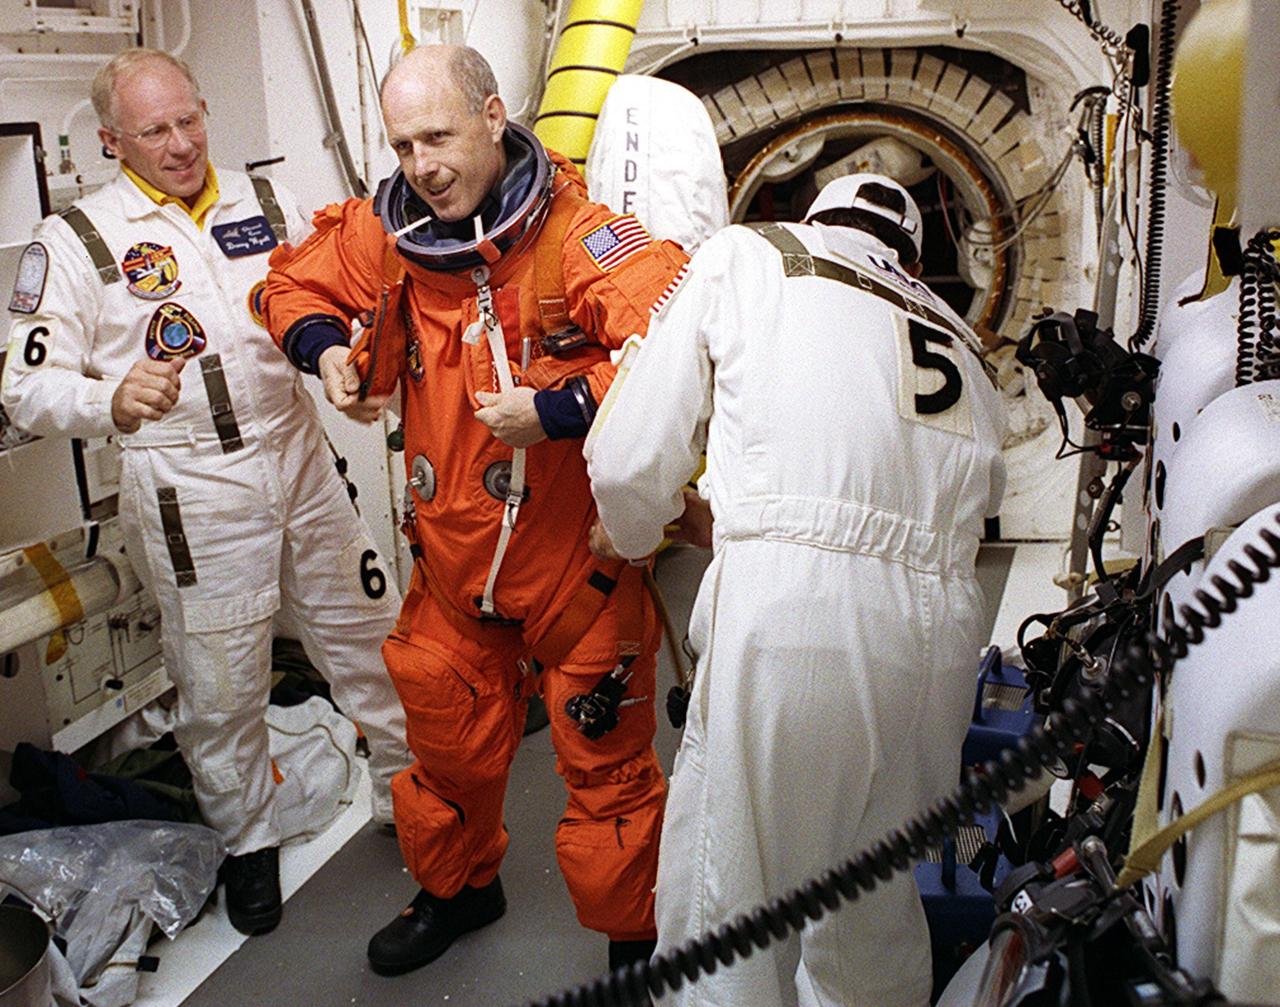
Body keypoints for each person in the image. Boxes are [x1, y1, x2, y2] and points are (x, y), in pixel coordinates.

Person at [262, 44, 688, 977]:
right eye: (403, 146)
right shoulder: (391, 237)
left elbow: (685, 348)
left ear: (494, 117)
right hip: (454, 574)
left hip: (576, 571)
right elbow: (290, 284)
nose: (422, 166)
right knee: (447, 752)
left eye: (440, 137)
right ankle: (459, 890)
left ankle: (633, 938)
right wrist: (326, 350)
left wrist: (558, 408)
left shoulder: (578, 240)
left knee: (608, 771)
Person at [0, 48, 411, 938]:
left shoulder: (265, 202)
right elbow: (24, 384)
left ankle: (408, 794)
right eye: (155, 131)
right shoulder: (77, 240)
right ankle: (249, 840)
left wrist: (348, 359)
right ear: (111, 141)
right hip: (192, 483)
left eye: (190, 119)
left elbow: (327, 300)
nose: (182, 144)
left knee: (374, 637)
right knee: (222, 685)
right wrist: (107, 400)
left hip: (300, 457)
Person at [588, 173, 1008, 1006]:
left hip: (793, 622)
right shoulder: (963, 341)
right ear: (909, 258)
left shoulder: (752, 254)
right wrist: (746, 517)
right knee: (871, 907)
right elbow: (919, 502)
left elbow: (629, 461)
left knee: (728, 911)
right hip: (938, 648)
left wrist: (634, 533)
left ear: (818, 217)